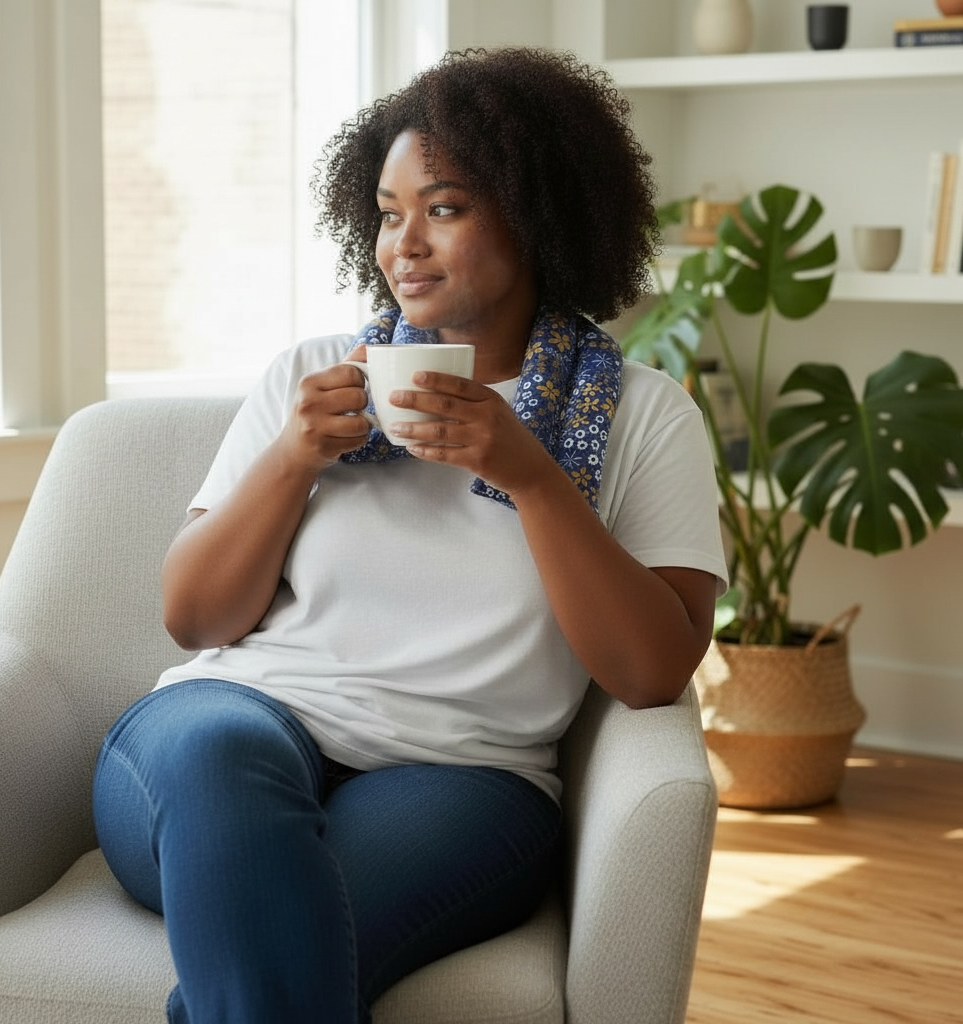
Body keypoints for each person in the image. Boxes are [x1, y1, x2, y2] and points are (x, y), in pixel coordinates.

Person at [92, 45, 728, 1024]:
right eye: (388, 215)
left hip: (463, 776)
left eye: (443, 207)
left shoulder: (641, 417)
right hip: (227, 729)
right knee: (220, 760)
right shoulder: (310, 377)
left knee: (286, 940)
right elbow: (193, 617)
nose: (403, 246)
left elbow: (651, 670)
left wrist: (527, 472)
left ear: (537, 207)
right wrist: (292, 458)